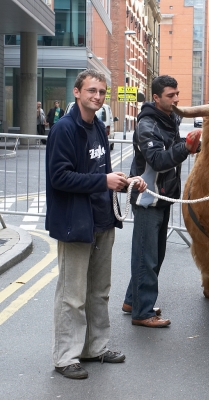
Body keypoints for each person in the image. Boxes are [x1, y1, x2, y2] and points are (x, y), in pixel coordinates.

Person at [45, 69, 147, 379]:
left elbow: (102, 173)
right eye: (91, 90)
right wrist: (103, 180)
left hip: (102, 219)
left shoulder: (100, 128)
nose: (97, 96)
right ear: (77, 92)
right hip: (76, 223)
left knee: (99, 291)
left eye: (102, 92)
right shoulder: (64, 129)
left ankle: (95, 348)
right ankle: (65, 357)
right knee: (71, 295)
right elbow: (59, 177)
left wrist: (126, 182)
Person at [122, 75, 201, 328]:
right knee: (147, 257)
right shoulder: (147, 125)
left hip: (161, 196)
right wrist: (186, 148)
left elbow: (174, 145)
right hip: (148, 198)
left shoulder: (168, 118)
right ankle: (143, 313)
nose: (176, 99)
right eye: (170, 95)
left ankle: (132, 301)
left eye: (177, 94)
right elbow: (158, 159)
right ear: (156, 98)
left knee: (153, 255)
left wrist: (193, 145)